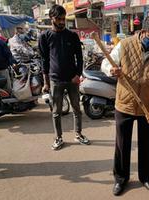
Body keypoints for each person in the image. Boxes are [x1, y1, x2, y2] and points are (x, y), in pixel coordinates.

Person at [101, 16, 149, 196]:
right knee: (122, 143)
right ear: (142, 32)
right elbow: (105, 63)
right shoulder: (124, 45)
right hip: (124, 103)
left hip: (147, 106)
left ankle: (146, 177)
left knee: (147, 144)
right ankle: (121, 179)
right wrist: (111, 70)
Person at [38, 4, 90, 150]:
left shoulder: (72, 36)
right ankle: (58, 137)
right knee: (56, 112)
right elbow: (44, 61)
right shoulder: (45, 37)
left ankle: (78, 134)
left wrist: (78, 75)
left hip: (72, 80)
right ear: (51, 18)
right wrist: (46, 82)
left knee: (77, 110)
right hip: (55, 81)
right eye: (58, 19)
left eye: (63, 19)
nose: (61, 22)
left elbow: (79, 58)